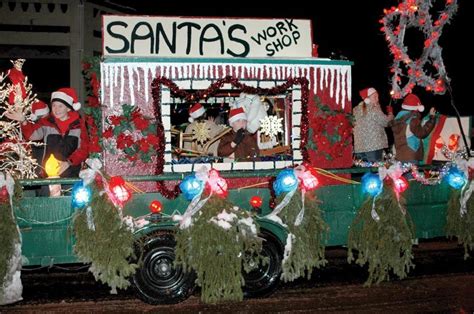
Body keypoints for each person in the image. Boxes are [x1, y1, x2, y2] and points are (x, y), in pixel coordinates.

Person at [5, 87, 89, 178]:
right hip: (49, 175)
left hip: (73, 175)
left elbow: (84, 149)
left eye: (60, 106)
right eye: (54, 105)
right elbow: (32, 135)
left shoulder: (79, 126)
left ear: (68, 108)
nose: (56, 109)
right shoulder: (47, 123)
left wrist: (68, 163)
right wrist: (23, 121)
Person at [390, 93, 436, 163]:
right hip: (411, 154)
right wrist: (432, 118)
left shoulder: (398, 118)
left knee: (403, 174)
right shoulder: (413, 120)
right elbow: (422, 133)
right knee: (412, 174)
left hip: (400, 155)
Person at [353, 87, 394, 161]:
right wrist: (390, 114)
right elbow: (386, 122)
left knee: (364, 171)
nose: (377, 99)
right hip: (374, 147)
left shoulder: (355, 110)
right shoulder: (374, 109)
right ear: (367, 99)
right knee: (375, 170)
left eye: (377, 97)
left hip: (359, 148)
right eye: (375, 97)